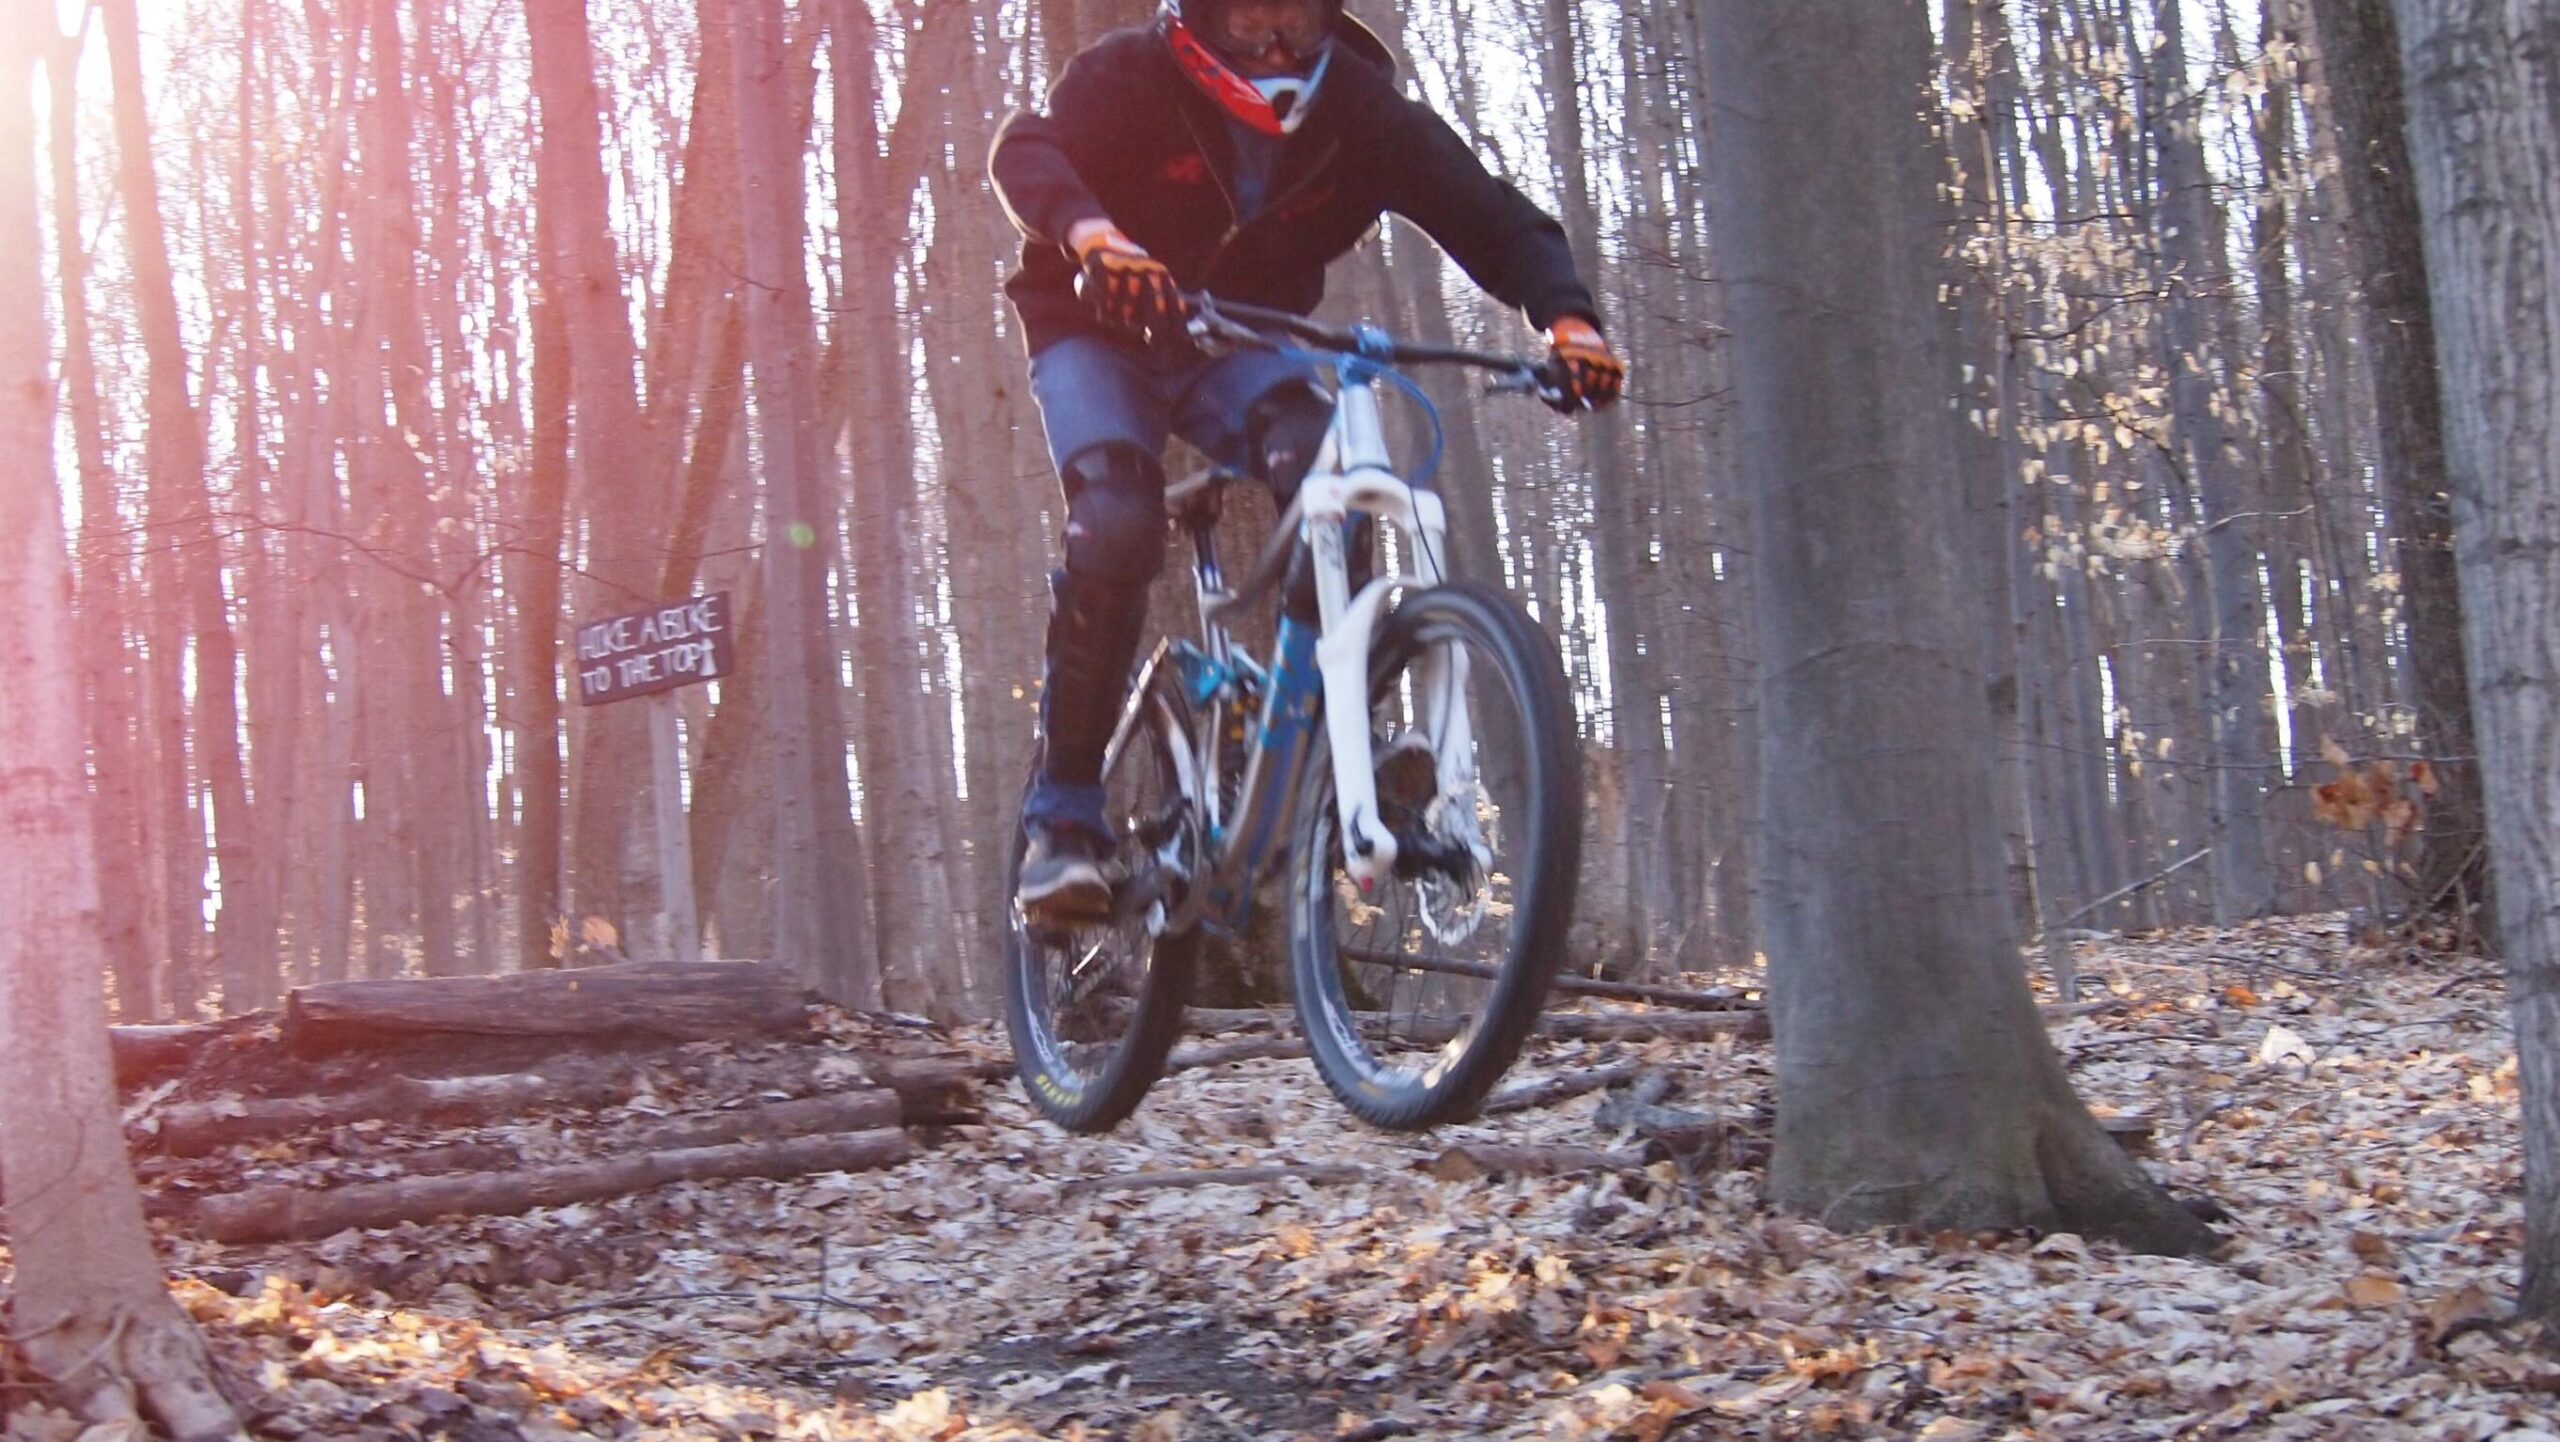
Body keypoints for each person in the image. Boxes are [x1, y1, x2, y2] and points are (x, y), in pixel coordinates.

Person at [990, 0, 1624, 922]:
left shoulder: (1359, 111)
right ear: (1204, 20)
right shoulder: (1131, 77)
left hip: (1242, 341)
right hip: (1096, 326)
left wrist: (1566, 317)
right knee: (1119, 523)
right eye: (1252, 23)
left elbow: (1485, 212)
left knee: (1337, 484)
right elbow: (1026, 150)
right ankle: (1064, 824)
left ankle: (1330, 741)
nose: (1278, 48)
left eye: (1298, 21)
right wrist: (1094, 235)